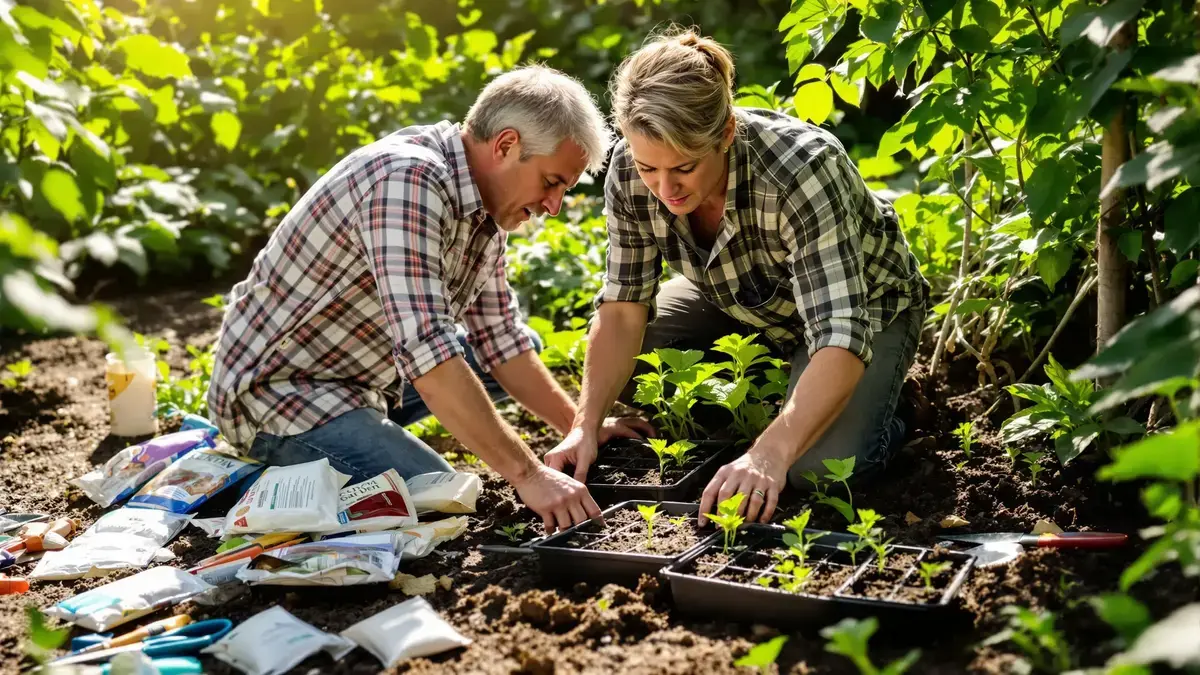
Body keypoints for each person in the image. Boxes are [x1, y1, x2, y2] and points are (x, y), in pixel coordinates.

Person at [208, 65, 651, 533]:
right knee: (442, 497)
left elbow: (501, 342)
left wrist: (579, 427)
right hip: (282, 394)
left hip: (365, 377)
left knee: (522, 354)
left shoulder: (484, 207)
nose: (553, 204)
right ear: (505, 146)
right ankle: (271, 470)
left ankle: (359, 435)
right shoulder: (409, 182)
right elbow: (430, 358)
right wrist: (528, 474)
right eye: (551, 182)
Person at [544, 29, 929, 525]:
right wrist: (584, 425)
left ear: (725, 133)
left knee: (818, 472)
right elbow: (622, 308)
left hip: (864, 309)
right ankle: (793, 398)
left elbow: (839, 333)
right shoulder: (627, 170)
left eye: (683, 167)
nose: (665, 188)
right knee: (645, 359)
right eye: (649, 168)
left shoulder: (803, 169)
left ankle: (894, 412)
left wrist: (770, 455)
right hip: (745, 298)